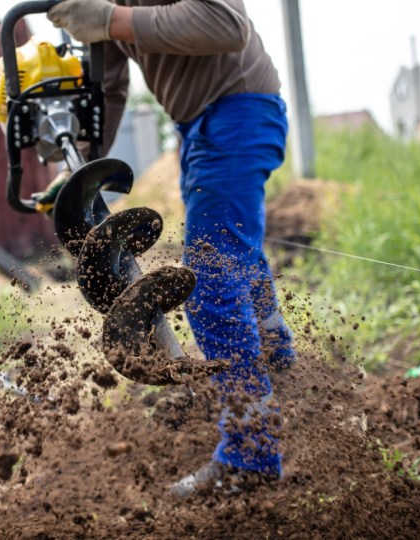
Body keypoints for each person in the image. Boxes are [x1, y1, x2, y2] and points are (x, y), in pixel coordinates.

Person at [45, 0, 296, 496]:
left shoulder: (109, 11)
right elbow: (110, 86)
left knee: (211, 281)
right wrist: (81, 171)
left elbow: (227, 25)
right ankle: (277, 358)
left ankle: (252, 455)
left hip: (238, 110)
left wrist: (111, 21)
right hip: (198, 126)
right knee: (234, 253)